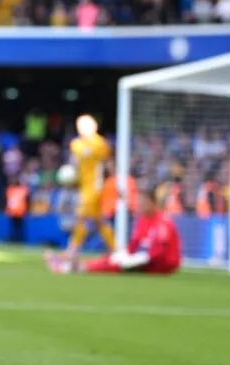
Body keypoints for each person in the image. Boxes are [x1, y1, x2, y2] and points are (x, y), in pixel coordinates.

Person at [47, 191, 181, 275]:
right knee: (113, 258)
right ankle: (74, 265)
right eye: (140, 202)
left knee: (117, 264)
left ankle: (77, 267)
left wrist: (138, 258)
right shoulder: (143, 220)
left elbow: (160, 251)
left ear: (153, 203)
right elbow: (135, 243)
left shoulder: (162, 222)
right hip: (149, 260)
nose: (140, 205)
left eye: (144, 203)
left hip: (162, 264)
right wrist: (126, 254)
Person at [63, 114, 116, 257]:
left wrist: (115, 181)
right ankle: (115, 249)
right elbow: (74, 165)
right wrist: (71, 178)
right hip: (83, 187)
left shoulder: (99, 143)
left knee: (80, 217)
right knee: (99, 221)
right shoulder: (76, 145)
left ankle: (72, 251)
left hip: (95, 187)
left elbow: (108, 162)